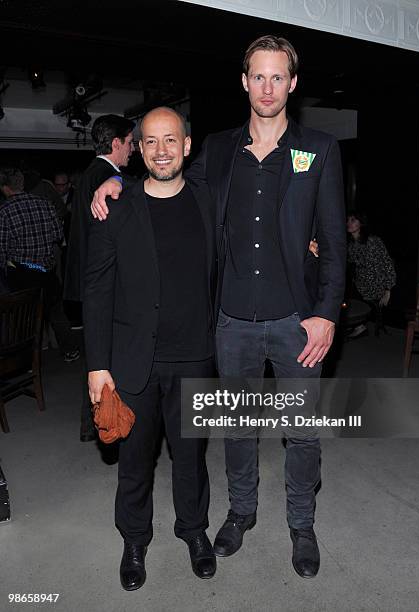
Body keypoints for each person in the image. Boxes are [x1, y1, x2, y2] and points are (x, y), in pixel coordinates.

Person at [91, 35, 346, 579]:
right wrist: (114, 180)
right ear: (244, 81)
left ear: (293, 84)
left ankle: (301, 524)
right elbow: (168, 181)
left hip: (297, 322)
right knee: (237, 428)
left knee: (300, 432)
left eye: (279, 77)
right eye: (258, 76)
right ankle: (241, 513)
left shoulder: (318, 150)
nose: (268, 87)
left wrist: (326, 312)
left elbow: (334, 240)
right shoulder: (220, 148)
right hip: (229, 323)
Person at [83, 107, 217, 590]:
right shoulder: (116, 207)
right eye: (151, 142)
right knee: (134, 463)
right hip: (133, 361)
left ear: (186, 145)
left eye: (170, 140)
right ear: (138, 150)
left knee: (191, 459)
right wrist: (97, 365)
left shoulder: (209, 200)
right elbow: (96, 290)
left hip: (196, 357)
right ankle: (135, 539)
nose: (161, 150)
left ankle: (194, 531)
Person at [64, 114, 135, 441]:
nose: (133, 149)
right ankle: (104, 422)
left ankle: (88, 425)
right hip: (103, 283)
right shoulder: (108, 177)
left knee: (95, 358)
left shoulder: (89, 175)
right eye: (131, 142)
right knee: (107, 359)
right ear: (117, 142)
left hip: (85, 279)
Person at [0, 167, 79, 361]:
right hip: (47, 270)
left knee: (22, 318)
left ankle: (24, 359)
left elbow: (1, 249)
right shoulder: (45, 204)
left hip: (21, 274)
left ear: (5, 188)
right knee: (56, 312)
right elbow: (58, 236)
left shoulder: (4, 211)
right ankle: (70, 350)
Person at [347, 211, 396, 337]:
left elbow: (387, 263)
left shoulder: (373, 241)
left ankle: (359, 326)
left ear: (361, 224)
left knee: (348, 293)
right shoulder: (352, 245)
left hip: (375, 284)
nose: (349, 223)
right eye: (348, 220)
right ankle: (358, 325)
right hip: (361, 283)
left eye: (353, 220)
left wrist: (388, 289)